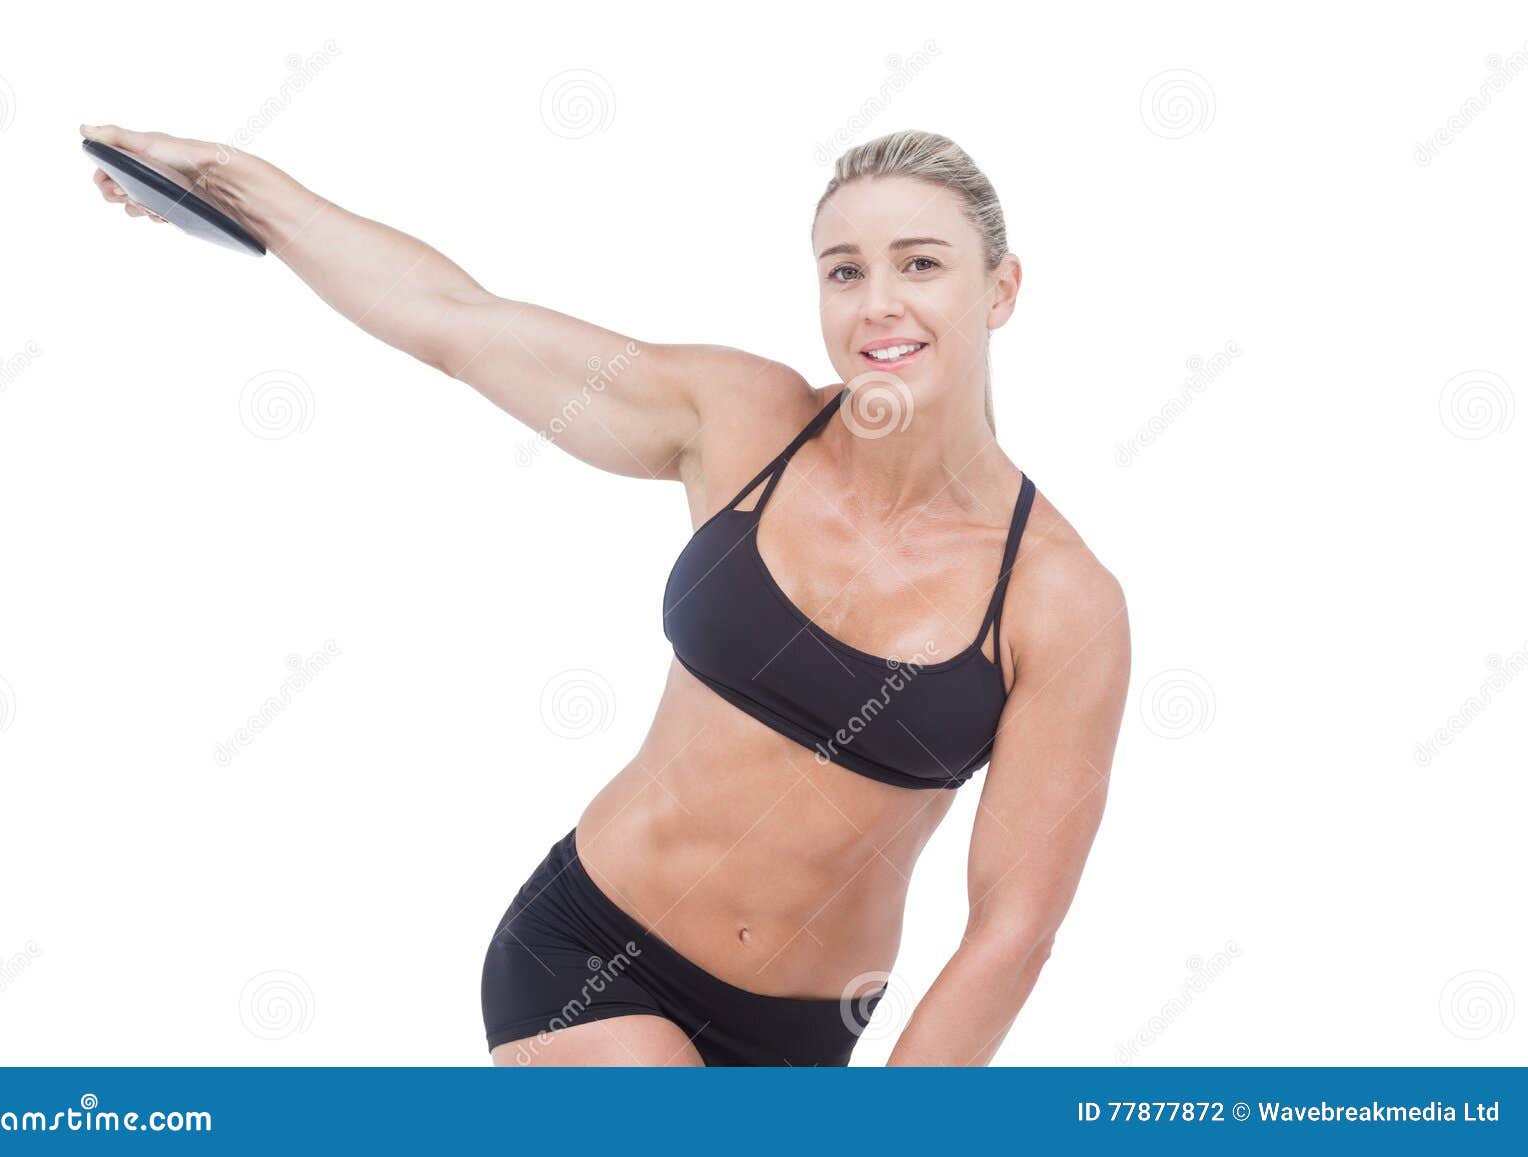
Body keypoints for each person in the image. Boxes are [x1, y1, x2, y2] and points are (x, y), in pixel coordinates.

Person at [82, 123, 1131, 1066]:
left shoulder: (1058, 599)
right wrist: (238, 183)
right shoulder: (743, 421)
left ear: (1000, 290)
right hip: (587, 962)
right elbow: (457, 322)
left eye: (921, 264)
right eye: (843, 271)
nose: (877, 303)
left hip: (803, 1044)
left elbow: (1013, 929)